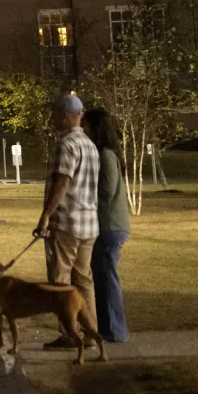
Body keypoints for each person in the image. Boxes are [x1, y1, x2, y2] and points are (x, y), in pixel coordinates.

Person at [33, 94, 101, 350]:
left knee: (60, 280)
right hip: (89, 224)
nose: (52, 118)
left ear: (65, 114)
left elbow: (63, 182)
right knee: (84, 280)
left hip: (67, 224)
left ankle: (69, 334)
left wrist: (46, 215)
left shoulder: (67, 144)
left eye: (54, 113)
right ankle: (91, 332)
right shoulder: (90, 145)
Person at [83, 107, 131, 343]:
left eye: (87, 127)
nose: (84, 131)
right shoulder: (105, 154)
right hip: (108, 225)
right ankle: (106, 327)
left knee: (106, 278)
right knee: (102, 278)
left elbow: (106, 190)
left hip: (109, 226)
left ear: (96, 129)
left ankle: (114, 330)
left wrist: (83, 194)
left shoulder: (106, 155)